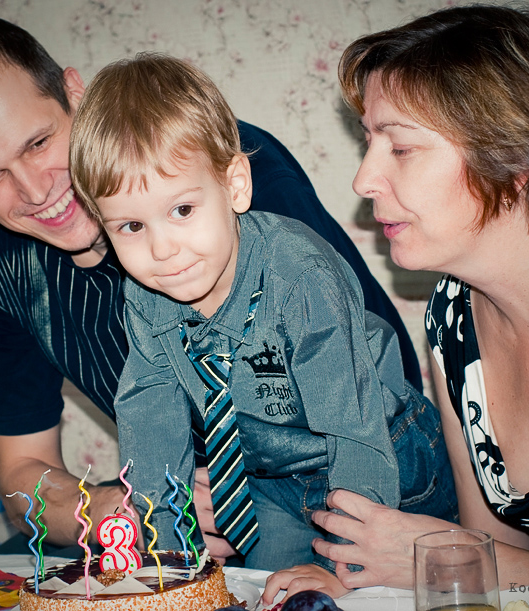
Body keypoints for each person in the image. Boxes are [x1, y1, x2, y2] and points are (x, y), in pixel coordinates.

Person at [0, 17, 425, 558]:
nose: (36, 191)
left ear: (75, 94)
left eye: (39, 143)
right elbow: (21, 475)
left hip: (336, 476)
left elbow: (373, 388)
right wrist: (119, 511)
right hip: (161, 500)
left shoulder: (206, 163)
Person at [264, 3, 529, 600]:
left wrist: (437, 555)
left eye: (400, 147)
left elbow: (487, 560)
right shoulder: (453, 312)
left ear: (516, 156)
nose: (363, 180)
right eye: (370, 142)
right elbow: (497, 565)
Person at [68, 53, 457, 582]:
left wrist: (343, 566)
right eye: (131, 226)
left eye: (182, 210)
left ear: (235, 185)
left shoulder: (301, 276)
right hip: (272, 478)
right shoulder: (145, 297)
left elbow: (353, 427)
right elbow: (151, 424)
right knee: (266, 591)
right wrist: (168, 557)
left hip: (381, 461)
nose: (161, 250)